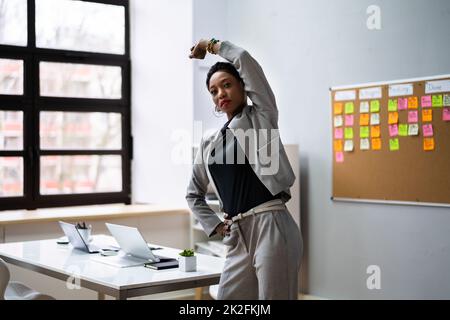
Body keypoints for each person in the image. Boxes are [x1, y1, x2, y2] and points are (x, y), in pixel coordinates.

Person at [186, 38, 302, 300]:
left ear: (243, 87)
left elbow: (245, 60)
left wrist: (210, 45)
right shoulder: (209, 142)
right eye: (214, 91)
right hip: (237, 235)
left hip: (271, 227)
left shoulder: (261, 117)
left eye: (227, 85)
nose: (220, 94)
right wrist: (215, 226)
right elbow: (193, 194)